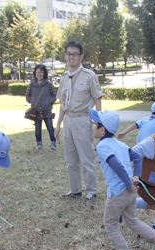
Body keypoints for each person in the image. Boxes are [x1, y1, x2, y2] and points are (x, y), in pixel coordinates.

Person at [89, 108, 155, 250]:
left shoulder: (102, 147)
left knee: (109, 223)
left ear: (102, 129)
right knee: (132, 222)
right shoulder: (120, 144)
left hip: (119, 192)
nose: (92, 126)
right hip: (130, 192)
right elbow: (136, 156)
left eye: (94, 124)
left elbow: (118, 167)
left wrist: (129, 184)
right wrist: (136, 177)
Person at [55, 41, 103, 201]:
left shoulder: (89, 76)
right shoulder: (63, 77)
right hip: (68, 120)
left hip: (83, 120)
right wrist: (58, 125)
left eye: (75, 54)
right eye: (68, 53)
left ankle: (91, 191)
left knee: (86, 157)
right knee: (70, 159)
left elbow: (98, 99)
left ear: (81, 56)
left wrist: (98, 122)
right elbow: (62, 103)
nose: (71, 57)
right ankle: (75, 190)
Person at [26, 64, 57, 151]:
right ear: (35, 73)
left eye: (41, 72)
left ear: (44, 73)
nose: (39, 74)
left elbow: (54, 95)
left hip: (47, 110)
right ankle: (39, 144)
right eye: (37, 72)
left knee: (50, 128)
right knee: (37, 129)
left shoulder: (49, 84)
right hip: (36, 110)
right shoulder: (31, 84)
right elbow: (27, 95)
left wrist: (49, 102)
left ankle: (53, 144)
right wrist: (31, 101)